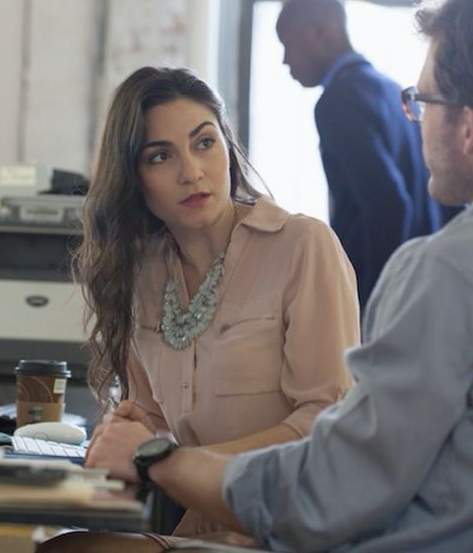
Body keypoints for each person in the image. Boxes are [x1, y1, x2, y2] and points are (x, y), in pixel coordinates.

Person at [41, 0, 473, 553]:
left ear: (470, 128)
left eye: (422, 100)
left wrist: (162, 461)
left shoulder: (451, 270)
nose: (414, 118)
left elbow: (330, 495)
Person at [41, 66, 359, 550]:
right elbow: (152, 420)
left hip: (292, 525)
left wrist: (163, 460)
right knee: (57, 544)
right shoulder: (143, 275)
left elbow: (327, 419)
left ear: (227, 146)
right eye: (160, 156)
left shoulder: (303, 245)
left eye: (204, 142)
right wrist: (122, 440)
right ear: (134, 178)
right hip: (204, 529)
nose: (190, 172)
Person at [276, 0, 458, 310]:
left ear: (320, 33)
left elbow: (388, 205)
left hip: (384, 292)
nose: (286, 60)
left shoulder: (337, 102)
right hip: (424, 281)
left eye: (289, 44)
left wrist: (370, 304)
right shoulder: (389, 90)